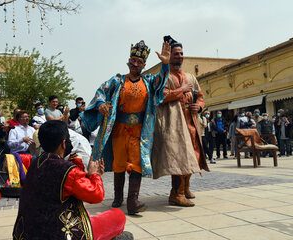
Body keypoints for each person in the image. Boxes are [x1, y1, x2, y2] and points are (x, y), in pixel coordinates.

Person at [81, 40, 171, 215]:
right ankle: (117, 197)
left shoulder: (149, 81)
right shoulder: (118, 80)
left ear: (144, 65)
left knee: (136, 163)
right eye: (133, 60)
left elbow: (161, 83)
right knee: (119, 164)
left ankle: (133, 200)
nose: (135, 64)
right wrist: (100, 104)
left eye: (139, 62)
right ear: (129, 61)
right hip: (119, 129)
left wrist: (165, 65)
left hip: (140, 131)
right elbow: (101, 91)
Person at [12, 120, 130, 240]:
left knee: (87, 215)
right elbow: (96, 195)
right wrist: (95, 175)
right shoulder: (66, 169)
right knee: (118, 216)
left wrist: (87, 175)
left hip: (26, 233)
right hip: (56, 233)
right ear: (64, 143)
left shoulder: (35, 163)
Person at [151, 36, 209, 207]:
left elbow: (200, 96)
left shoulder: (191, 77)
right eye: (176, 54)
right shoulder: (164, 77)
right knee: (179, 159)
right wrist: (181, 90)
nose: (179, 56)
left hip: (191, 123)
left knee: (194, 156)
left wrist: (198, 107)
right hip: (174, 125)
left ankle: (186, 186)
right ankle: (176, 193)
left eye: (181, 53)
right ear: (170, 56)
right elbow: (159, 96)